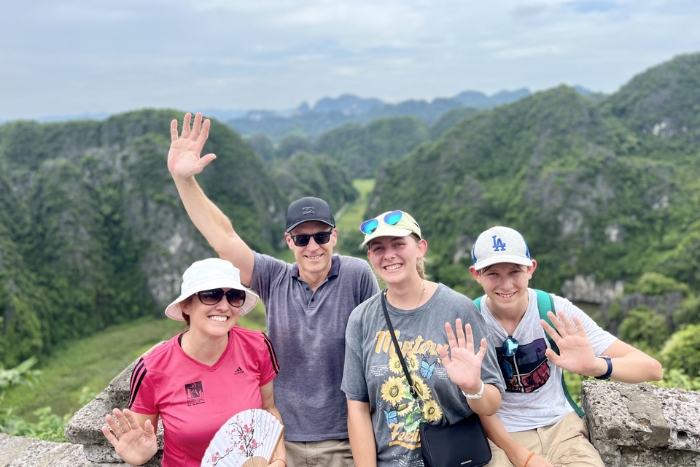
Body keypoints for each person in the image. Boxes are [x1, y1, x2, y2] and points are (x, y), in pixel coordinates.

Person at [167, 112, 380, 467]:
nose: (313, 246)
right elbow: (224, 237)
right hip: (281, 441)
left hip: (345, 438)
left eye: (321, 236)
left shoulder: (356, 274)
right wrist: (183, 180)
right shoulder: (274, 277)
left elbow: (378, 348)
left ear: (335, 236)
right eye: (301, 238)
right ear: (289, 241)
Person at [469, 226, 664, 467]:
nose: (506, 284)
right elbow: (475, 400)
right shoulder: (470, 320)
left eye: (515, 271)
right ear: (475, 274)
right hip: (501, 436)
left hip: (562, 428)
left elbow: (652, 369)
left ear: (531, 269)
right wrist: (522, 456)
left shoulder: (555, 311)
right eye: (493, 274)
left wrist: (595, 366)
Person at [341, 210, 505, 466]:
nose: (389, 255)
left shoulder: (458, 310)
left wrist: (474, 388)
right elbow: (358, 408)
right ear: (370, 257)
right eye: (378, 248)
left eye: (398, 244)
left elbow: (492, 403)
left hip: (456, 460)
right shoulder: (361, 319)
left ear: (420, 248)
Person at [102, 258, 285, 467]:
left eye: (233, 296)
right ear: (185, 306)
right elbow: (140, 439)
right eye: (211, 295)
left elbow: (268, 409)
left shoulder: (257, 345)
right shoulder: (153, 369)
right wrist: (139, 456)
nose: (224, 306)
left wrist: (279, 459)